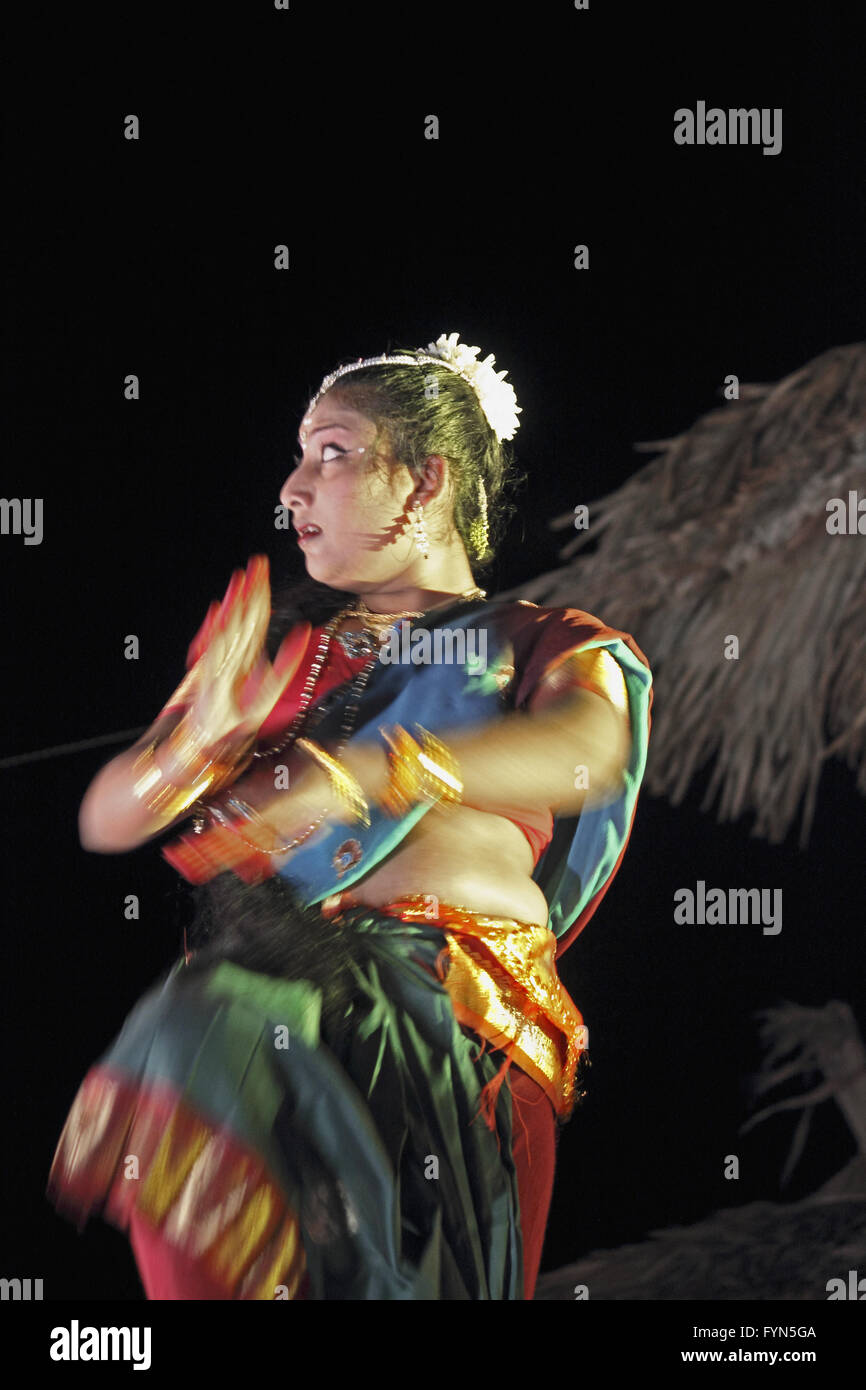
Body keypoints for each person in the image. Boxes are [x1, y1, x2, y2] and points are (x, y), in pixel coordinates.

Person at [47, 332, 653, 1300]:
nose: (291, 487)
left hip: (450, 1015)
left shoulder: (539, 639)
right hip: (273, 1012)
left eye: (330, 451)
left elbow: (586, 749)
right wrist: (193, 743)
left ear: (423, 482)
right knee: (189, 1028)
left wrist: (372, 769)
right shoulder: (281, 668)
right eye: (297, 457)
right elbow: (106, 820)